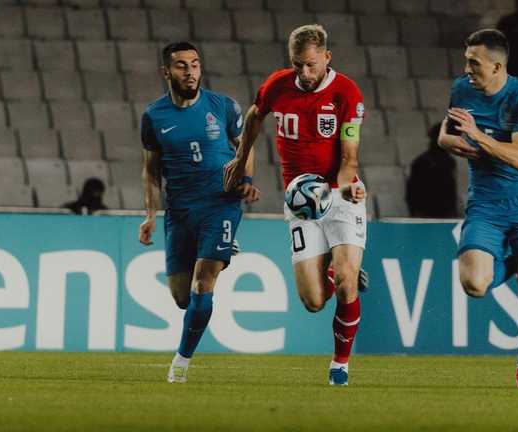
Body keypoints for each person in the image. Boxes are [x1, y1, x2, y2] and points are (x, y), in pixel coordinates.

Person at [224, 24, 368, 386]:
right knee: (314, 300)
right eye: (297, 65)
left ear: (326, 57)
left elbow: (350, 154)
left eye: (310, 65)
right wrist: (241, 161)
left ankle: (340, 364)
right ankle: (336, 271)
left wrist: (349, 184)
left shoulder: (346, 93)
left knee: (348, 284)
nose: (304, 73)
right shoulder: (277, 85)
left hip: (338, 193)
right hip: (300, 201)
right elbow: (255, 116)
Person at [438, 29, 518, 389]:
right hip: (486, 203)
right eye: (466, 60)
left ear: (497, 66)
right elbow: (444, 136)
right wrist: (459, 144)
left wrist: (480, 137)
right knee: (474, 284)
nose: (467, 67)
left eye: (474, 62)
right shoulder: (461, 90)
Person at [138, 41, 260, 384]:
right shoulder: (154, 116)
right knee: (181, 298)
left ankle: (181, 362)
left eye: (194, 64)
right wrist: (150, 214)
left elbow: (245, 146)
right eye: (181, 65)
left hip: (220, 202)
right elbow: (150, 169)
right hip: (179, 210)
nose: (190, 71)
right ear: (166, 72)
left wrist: (245, 178)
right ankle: (222, 247)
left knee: (203, 283)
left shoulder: (222, 107)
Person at [406, 123, 460, 218]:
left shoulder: (450, 162)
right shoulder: (422, 162)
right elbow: (413, 191)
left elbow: (451, 191)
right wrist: (417, 212)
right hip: (425, 215)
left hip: (445, 214)